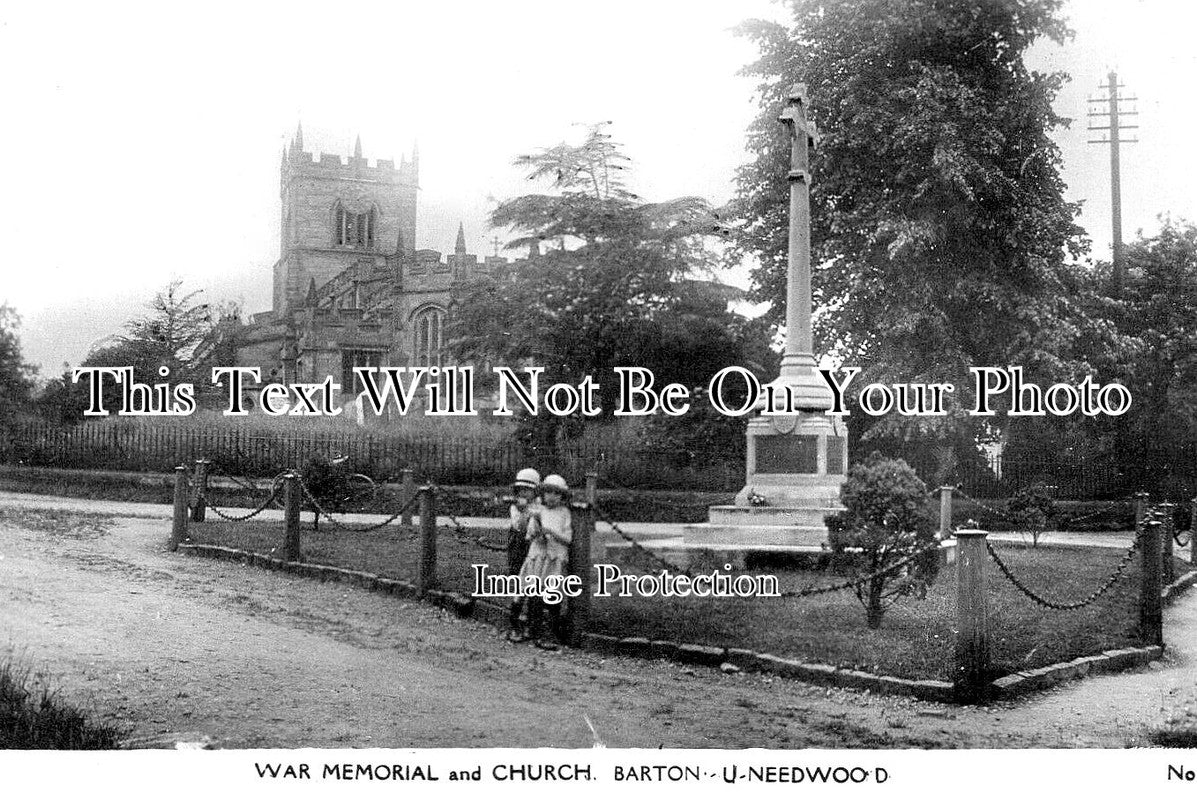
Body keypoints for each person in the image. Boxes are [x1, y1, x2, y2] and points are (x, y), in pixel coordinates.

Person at [517, 474, 573, 650]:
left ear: (562, 496)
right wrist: (537, 533)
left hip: (554, 559)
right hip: (539, 557)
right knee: (535, 595)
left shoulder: (564, 513)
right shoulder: (538, 511)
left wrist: (552, 533)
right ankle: (533, 630)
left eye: (556, 493)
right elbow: (530, 535)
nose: (551, 496)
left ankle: (552, 632)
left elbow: (568, 539)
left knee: (552, 596)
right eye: (548, 492)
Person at [506, 468, 541, 632]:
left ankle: (532, 615)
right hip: (520, 545)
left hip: (536, 545)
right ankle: (516, 614)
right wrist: (524, 511)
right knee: (521, 578)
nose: (524, 493)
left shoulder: (540, 505)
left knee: (535, 579)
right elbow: (518, 526)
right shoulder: (515, 507)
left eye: (528, 490)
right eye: (521, 490)